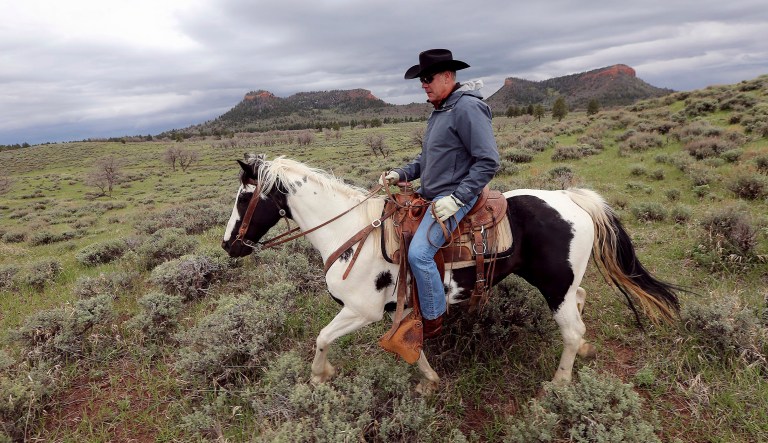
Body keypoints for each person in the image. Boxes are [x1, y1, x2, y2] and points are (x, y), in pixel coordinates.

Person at [382, 49, 499, 338]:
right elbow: (428, 159)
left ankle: (432, 322)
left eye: (427, 78)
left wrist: (458, 198)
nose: (423, 84)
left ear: (447, 76)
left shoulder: (466, 108)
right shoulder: (441, 110)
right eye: (421, 79)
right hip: (433, 195)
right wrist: (402, 173)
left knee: (420, 253)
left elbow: (488, 161)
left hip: (457, 196)